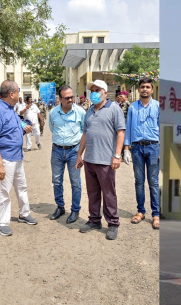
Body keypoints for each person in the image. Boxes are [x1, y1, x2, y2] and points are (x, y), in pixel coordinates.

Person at [75, 80, 125, 240]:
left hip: (106, 160)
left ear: (104, 91)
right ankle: (94, 220)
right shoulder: (89, 111)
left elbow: (121, 132)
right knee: (93, 193)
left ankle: (113, 223)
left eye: (97, 90)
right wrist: (79, 154)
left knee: (109, 193)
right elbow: (85, 133)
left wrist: (117, 156)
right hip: (90, 159)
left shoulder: (114, 109)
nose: (94, 93)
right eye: (92, 90)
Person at [0, 80, 38, 236]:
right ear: (11, 94)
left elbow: (11, 132)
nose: (19, 94)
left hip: (17, 156)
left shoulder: (11, 109)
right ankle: (2, 222)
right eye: (18, 91)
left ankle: (24, 213)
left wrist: (24, 130)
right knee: (4, 191)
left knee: (21, 186)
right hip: (6, 158)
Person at [123, 77, 160, 230]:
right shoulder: (132, 108)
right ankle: (140, 211)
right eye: (142, 87)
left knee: (154, 182)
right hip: (137, 148)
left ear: (152, 89)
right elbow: (128, 128)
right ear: (138, 89)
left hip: (153, 147)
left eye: (148, 87)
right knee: (139, 181)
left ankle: (156, 214)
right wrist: (126, 149)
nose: (145, 89)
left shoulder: (158, 106)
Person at [48, 85, 85, 223]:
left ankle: (75, 210)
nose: (70, 99)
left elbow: (84, 132)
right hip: (57, 150)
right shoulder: (53, 113)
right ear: (60, 99)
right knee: (56, 180)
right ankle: (60, 207)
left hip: (74, 151)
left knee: (75, 183)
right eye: (67, 98)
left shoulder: (80, 112)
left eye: (72, 96)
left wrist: (80, 153)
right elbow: (52, 128)